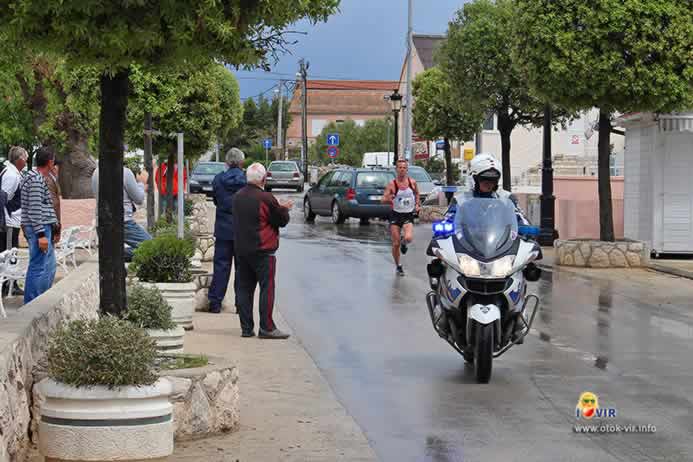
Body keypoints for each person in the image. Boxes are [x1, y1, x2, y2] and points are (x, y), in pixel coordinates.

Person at [232, 162, 293, 339]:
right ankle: (266, 327)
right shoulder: (266, 198)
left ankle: (246, 328)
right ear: (264, 179)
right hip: (263, 250)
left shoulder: (237, 196)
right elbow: (281, 220)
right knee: (267, 288)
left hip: (242, 249)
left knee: (244, 288)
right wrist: (285, 208)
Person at [208, 148, 247, 313]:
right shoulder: (246, 180)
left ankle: (215, 303)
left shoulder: (218, 180)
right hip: (242, 230)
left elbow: (216, 201)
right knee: (242, 269)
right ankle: (241, 305)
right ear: (241, 162)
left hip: (223, 228)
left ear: (226, 162)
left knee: (220, 267)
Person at [21, 148, 58, 304]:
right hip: (40, 228)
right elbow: (34, 208)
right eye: (54, 161)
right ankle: (31, 304)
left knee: (48, 266)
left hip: (43, 227)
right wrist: (41, 235)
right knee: (38, 267)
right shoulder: (35, 180)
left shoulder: (37, 178)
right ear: (49, 162)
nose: (55, 165)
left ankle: (40, 300)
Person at [92, 165, 151, 262]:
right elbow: (139, 199)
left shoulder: (96, 172)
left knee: (111, 252)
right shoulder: (125, 172)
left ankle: (111, 254)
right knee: (150, 247)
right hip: (123, 222)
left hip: (101, 221)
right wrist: (141, 182)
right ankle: (112, 254)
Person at [381, 159, 421, 276]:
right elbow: (383, 199)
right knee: (395, 243)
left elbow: (417, 194)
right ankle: (398, 265)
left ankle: (404, 243)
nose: (402, 170)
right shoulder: (392, 184)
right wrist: (389, 198)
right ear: (396, 170)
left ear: (407, 170)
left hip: (408, 214)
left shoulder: (412, 182)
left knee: (408, 238)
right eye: (400, 167)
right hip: (395, 215)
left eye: (404, 168)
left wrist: (417, 204)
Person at [0, 146, 28, 296]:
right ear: (20, 159)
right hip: (10, 223)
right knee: (9, 254)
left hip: (13, 221)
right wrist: (3, 221)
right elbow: (3, 198)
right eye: (25, 157)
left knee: (11, 254)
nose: (27, 160)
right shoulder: (11, 175)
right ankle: (8, 285)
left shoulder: (13, 172)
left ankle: (11, 284)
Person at [41, 158, 62, 244]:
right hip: (50, 222)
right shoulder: (49, 180)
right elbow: (54, 204)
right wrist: (57, 226)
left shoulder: (53, 179)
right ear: (54, 167)